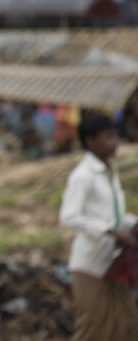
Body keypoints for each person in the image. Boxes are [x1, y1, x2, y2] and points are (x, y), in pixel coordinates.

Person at [59, 113, 138, 340]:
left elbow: (116, 215)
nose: (115, 142)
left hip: (113, 263)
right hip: (90, 266)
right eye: (108, 137)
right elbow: (69, 216)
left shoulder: (109, 173)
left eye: (115, 136)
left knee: (127, 324)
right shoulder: (83, 176)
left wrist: (129, 225)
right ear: (91, 141)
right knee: (92, 328)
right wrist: (108, 231)